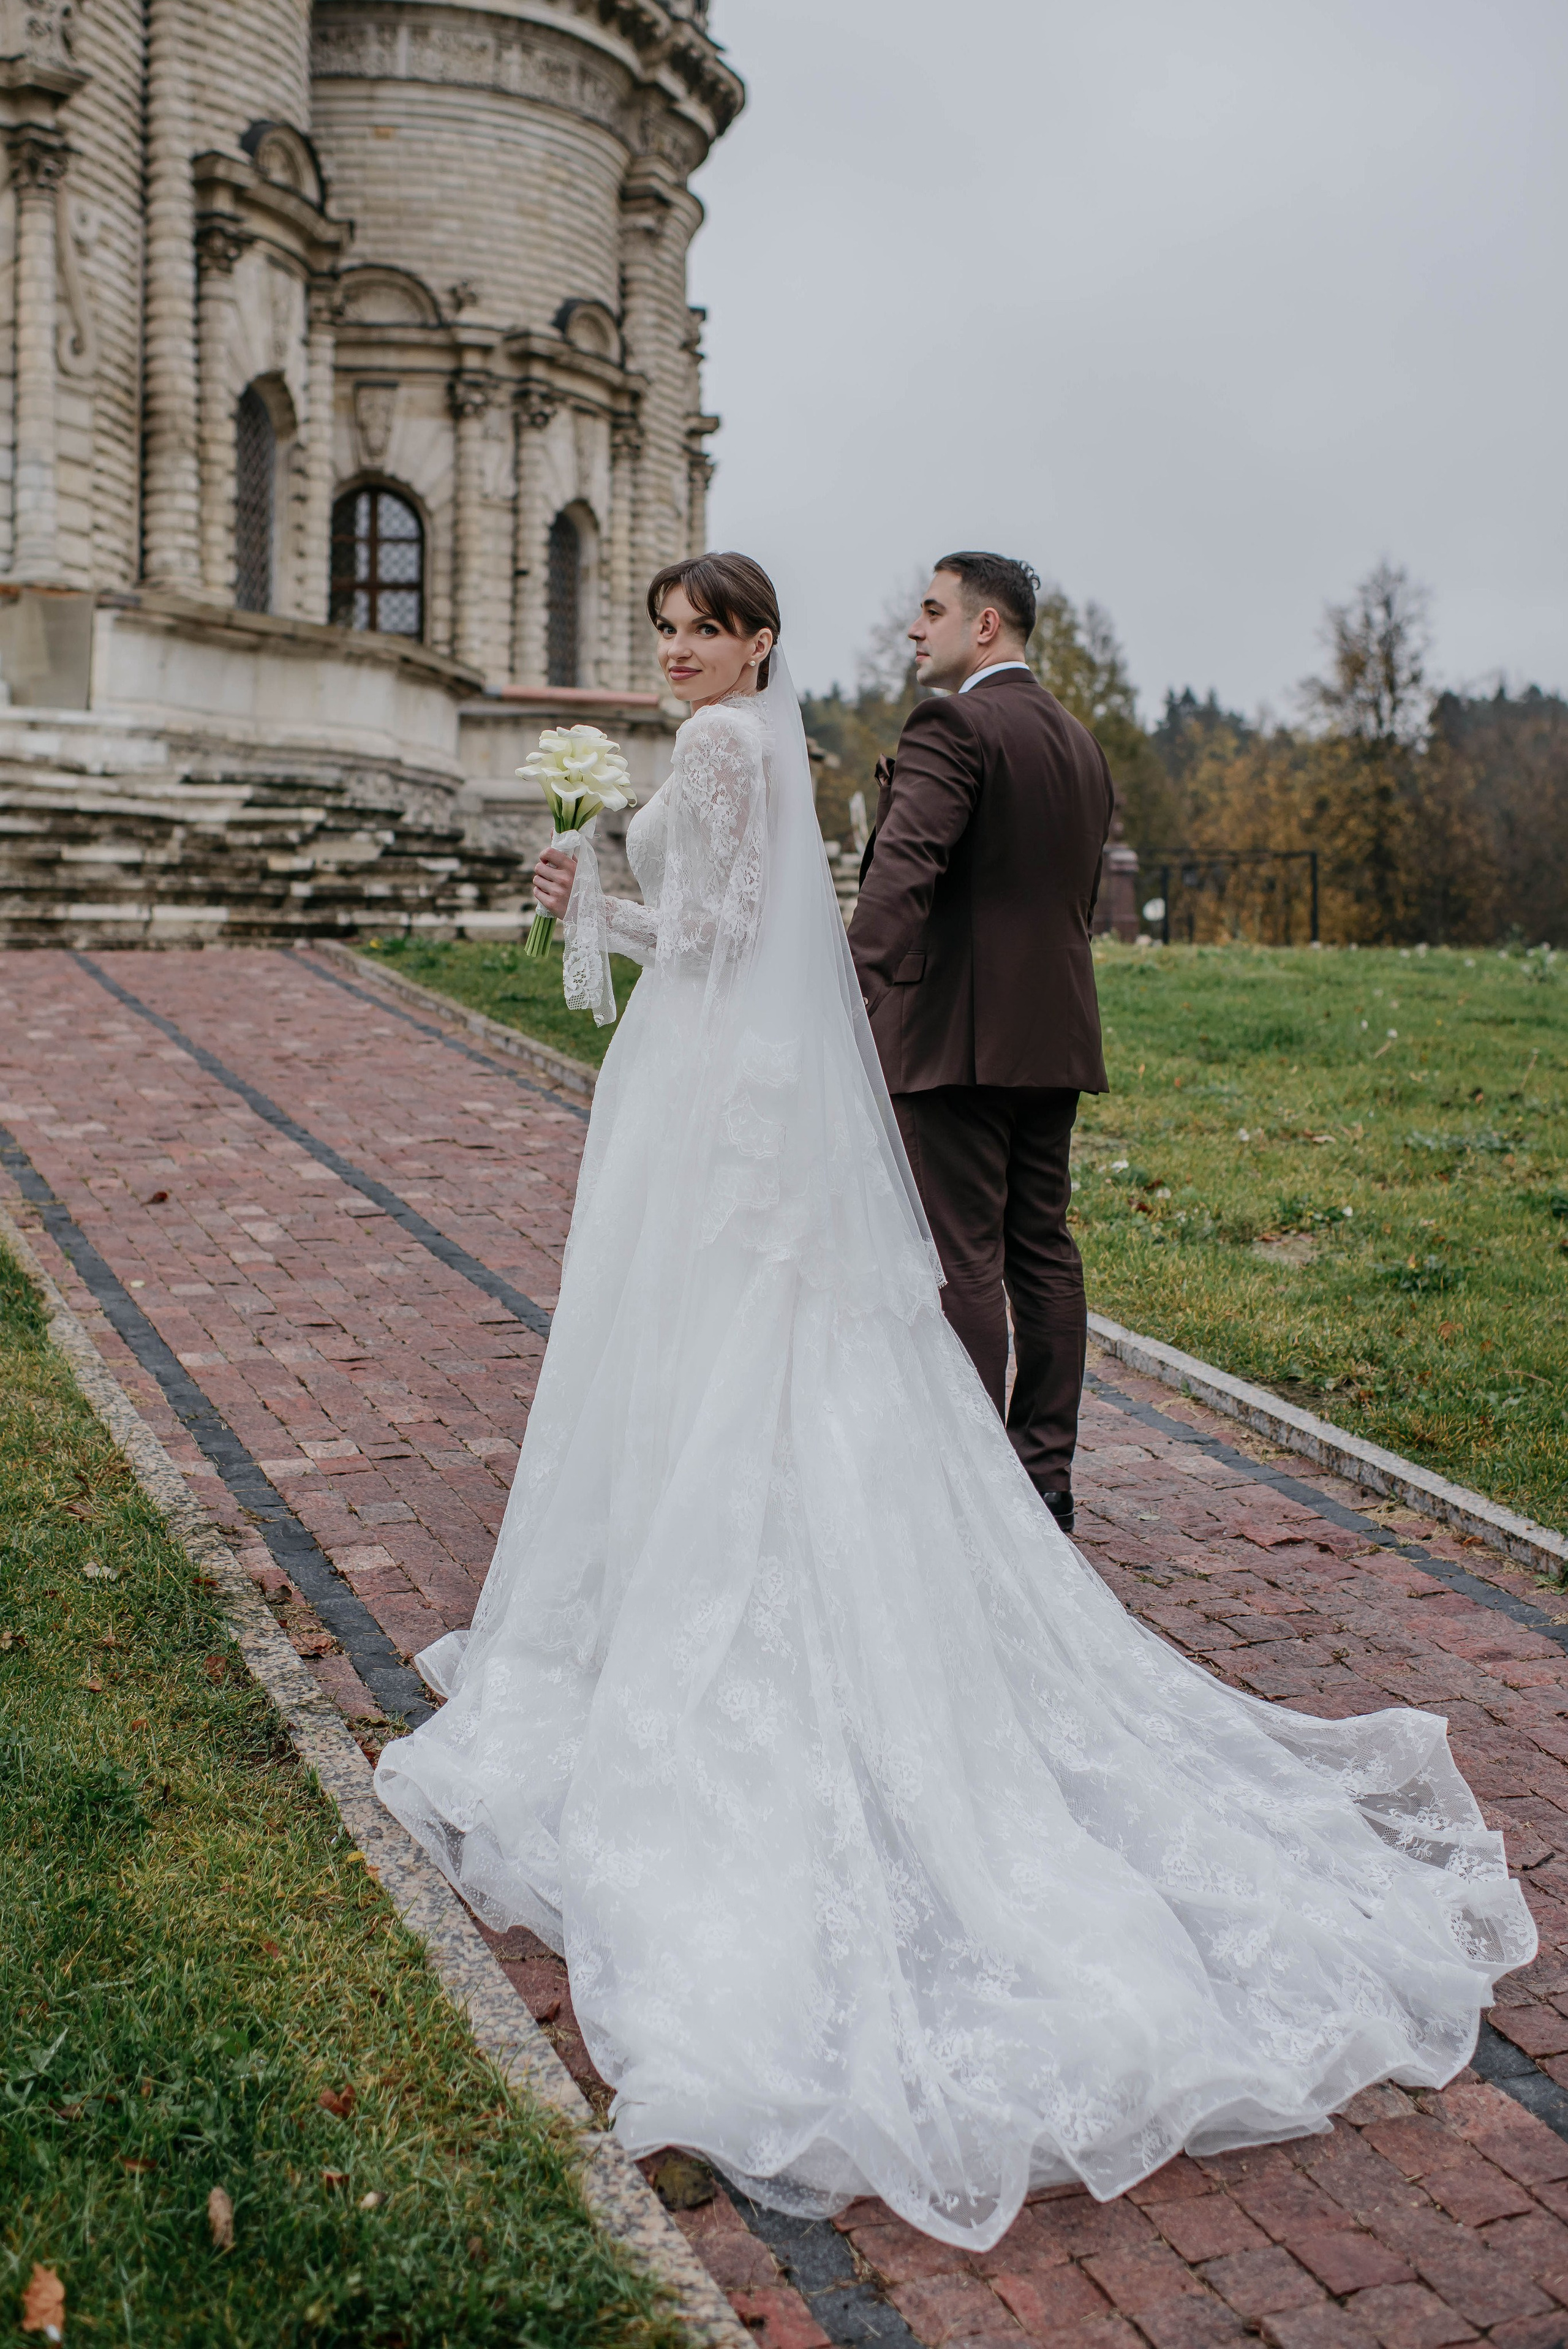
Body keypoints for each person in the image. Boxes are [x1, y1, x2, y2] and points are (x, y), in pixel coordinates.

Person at [375, 552, 1532, 2253]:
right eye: (670, 631)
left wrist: (590, 879)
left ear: (755, 643)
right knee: (920, 1297)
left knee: (733, 1336)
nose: (682, 651)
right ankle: (1014, 1472)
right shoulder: (919, 738)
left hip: (728, 1082)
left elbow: (720, 940)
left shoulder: (740, 752)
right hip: (937, 1045)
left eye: (705, 628)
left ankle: (717, 1588)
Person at [848, 554, 1113, 1535]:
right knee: (1041, 1249)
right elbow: (1071, 898)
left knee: (962, 1259)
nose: (914, 630)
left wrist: (843, 996)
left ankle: (967, 1487)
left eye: (931, 611)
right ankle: (1043, 1473)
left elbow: (902, 878)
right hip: (1055, 1033)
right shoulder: (1080, 743)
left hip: (952, 1032)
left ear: (987, 625)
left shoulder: (951, 722)